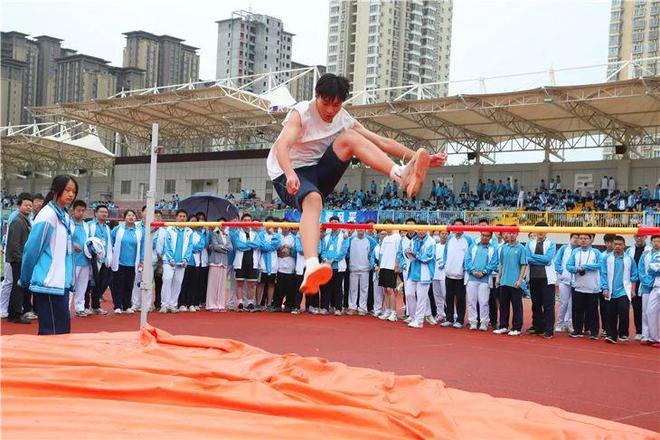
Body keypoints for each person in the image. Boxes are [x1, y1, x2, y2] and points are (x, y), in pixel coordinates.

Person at [267, 73, 446, 296]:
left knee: (350, 138)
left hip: (318, 171)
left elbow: (380, 141)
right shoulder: (301, 112)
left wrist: (424, 159)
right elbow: (282, 147)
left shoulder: (342, 117)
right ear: (316, 96)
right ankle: (311, 266)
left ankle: (400, 173)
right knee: (313, 200)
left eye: (336, 104)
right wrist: (290, 173)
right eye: (326, 103)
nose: (331, 111)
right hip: (287, 173)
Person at [20, 175, 78, 335]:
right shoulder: (47, 215)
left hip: (61, 283)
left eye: (74, 191)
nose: (71, 195)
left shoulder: (64, 215)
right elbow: (31, 250)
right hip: (49, 283)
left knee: (61, 330)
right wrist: (25, 278)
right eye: (67, 190)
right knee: (51, 332)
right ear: (55, 190)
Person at [601, 236, 638, 344]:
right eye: (615, 244)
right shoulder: (606, 258)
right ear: (612, 245)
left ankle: (623, 333)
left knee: (623, 311)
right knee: (610, 314)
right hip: (611, 291)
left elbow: (634, 275)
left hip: (624, 290)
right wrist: (605, 288)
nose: (617, 246)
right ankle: (611, 335)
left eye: (620, 244)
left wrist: (633, 289)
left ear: (624, 245)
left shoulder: (629, 259)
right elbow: (603, 274)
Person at [567, 234, 604, 339]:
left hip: (592, 287)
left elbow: (600, 264)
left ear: (590, 240)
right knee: (577, 309)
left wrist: (585, 267)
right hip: (578, 286)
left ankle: (594, 332)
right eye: (581, 238)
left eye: (585, 239)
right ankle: (577, 330)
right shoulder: (575, 252)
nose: (583, 241)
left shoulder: (596, 252)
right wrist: (577, 269)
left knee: (592, 310)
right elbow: (569, 266)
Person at [525, 222, 557, 339]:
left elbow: (548, 259)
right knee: (536, 304)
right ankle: (538, 327)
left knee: (548, 305)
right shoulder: (530, 243)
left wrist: (534, 258)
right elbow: (527, 258)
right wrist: (541, 260)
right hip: (533, 277)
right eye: (539, 230)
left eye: (543, 230)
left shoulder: (551, 243)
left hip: (547, 278)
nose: (541, 232)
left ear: (547, 231)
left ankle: (549, 330)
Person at [494, 231, 528, 336]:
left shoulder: (521, 248)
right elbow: (501, 264)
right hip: (504, 281)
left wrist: (520, 280)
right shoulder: (504, 248)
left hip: (515, 282)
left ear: (517, 234)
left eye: (513, 233)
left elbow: (523, 265)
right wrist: (498, 278)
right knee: (503, 305)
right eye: (509, 233)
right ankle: (503, 326)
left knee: (517, 306)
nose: (511, 235)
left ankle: (517, 328)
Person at [110, 210, 144, 314]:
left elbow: (143, 247)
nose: (131, 217)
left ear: (136, 218)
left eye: (133, 215)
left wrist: (141, 261)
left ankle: (127, 306)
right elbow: (110, 242)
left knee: (129, 285)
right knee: (118, 284)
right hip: (119, 262)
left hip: (133, 263)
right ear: (124, 217)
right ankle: (117, 306)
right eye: (128, 215)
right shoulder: (118, 229)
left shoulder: (139, 231)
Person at [441, 218, 473, 328]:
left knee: (460, 298)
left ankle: (459, 320)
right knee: (448, 297)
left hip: (461, 274)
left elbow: (470, 256)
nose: (458, 227)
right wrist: (446, 265)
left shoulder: (468, 239)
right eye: (456, 225)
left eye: (460, 225)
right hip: (449, 273)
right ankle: (449, 318)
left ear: (464, 227)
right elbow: (445, 253)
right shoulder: (449, 238)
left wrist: (465, 269)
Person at [6, 193, 33, 324]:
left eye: (30, 205)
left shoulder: (25, 220)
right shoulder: (17, 221)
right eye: (26, 205)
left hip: (21, 258)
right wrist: (20, 259)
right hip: (18, 259)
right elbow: (14, 243)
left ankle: (14, 312)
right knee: (17, 287)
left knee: (19, 287)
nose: (29, 207)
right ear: (19, 206)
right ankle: (15, 314)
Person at [161, 210, 194, 313]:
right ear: (176, 217)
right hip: (169, 261)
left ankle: (173, 304)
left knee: (178, 282)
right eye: (180, 216)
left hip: (181, 262)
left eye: (184, 216)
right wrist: (170, 258)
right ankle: (164, 304)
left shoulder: (189, 231)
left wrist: (185, 259)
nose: (182, 218)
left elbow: (190, 247)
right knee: (167, 280)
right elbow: (167, 245)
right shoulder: (170, 229)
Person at [464, 231, 498, 331]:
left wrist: (483, 272)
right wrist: (473, 271)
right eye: (483, 235)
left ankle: (484, 322)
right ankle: (473, 322)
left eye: (487, 236)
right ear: (480, 235)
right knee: (471, 301)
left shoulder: (492, 249)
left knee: (484, 301)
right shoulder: (473, 246)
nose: (485, 237)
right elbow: (467, 260)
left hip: (485, 279)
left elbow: (493, 263)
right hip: (472, 278)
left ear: (490, 237)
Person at [403, 226, 435, 328]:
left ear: (427, 230)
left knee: (422, 297)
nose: (421, 232)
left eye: (423, 230)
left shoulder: (431, 242)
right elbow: (408, 254)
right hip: (413, 271)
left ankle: (419, 320)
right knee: (409, 294)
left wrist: (415, 254)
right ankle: (413, 317)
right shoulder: (413, 240)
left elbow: (428, 257)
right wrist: (407, 252)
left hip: (425, 272)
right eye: (419, 230)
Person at [229, 213, 261, 312]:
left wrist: (246, 244)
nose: (247, 222)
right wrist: (250, 245)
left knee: (251, 284)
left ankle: (250, 302)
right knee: (240, 283)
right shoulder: (237, 233)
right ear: (242, 222)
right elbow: (238, 246)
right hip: (240, 261)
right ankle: (240, 302)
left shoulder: (255, 234)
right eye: (245, 220)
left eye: (249, 220)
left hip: (252, 261)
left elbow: (257, 244)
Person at [319, 217, 350, 315]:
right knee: (325, 287)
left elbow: (343, 251)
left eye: (335, 222)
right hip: (327, 265)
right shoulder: (326, 236)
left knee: (338, 288)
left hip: (338, 266)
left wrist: (333, 260)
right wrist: (325, 259)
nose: (333, 224)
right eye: (331, 222)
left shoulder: (344, 236)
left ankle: (338, 308)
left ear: (339, 223)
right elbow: (323, 250)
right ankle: (324, 307)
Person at [87, 205, 112, 315]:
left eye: (106, 212)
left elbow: (109, 243)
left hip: (104, 260)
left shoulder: (107, 228)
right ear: (95, 213)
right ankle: (85, 306)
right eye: (101, 212)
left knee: (100, 283)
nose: (104, 214)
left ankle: (96, 306)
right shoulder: (89, 226)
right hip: (92, 259)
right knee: (89, 284)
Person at [626, 233, 651, 340]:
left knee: (649, 309)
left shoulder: (651, 250)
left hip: (648, 283)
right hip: (634, 282)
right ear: (634, 237)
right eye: (637, 236)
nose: (639, 238)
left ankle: (650, 331)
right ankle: (639, 331)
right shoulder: (629, 251)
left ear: (646, 237)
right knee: (636, 308)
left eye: (642, 236)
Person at [70, 200, 91, 317]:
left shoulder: (86, 225)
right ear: (73, 211)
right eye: (79, 210)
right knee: (70, 285)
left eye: (83, 211)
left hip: (85, 260)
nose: (81, 213)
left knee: (82, 286)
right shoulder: (68, 223)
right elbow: (64, 239)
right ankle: (66, 308)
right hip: (73, 260)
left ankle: (80, 307)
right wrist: (72, 245)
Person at [637, 235, 660, 347]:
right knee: (646, 311)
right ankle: (646, 335)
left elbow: (654, 270)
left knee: (656, 312)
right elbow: (641, 268)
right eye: (654, 241)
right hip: (646, 285)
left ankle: (655, 336)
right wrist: (645, 281)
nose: (656, 243)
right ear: (651, 242)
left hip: (656, 284)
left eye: (658, 241)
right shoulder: (645, 253)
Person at [206, 220, 233, 312]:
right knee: (213, 284)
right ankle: (211, 305)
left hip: (224, 262)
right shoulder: (214, 233)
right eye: (221, 224)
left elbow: (231, 248)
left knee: (222, 285)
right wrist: (224, 247)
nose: (223, 226)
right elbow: (215, 246)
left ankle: (220, 304)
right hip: (215, 261)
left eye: (224, 224)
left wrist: (221, 247)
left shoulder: (227, 235)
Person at [554, 233, 579, 333]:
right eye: (574, 238)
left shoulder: (579, 250)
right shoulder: (564, 248)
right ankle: (559, 323)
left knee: (572, 304)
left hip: (576, 281)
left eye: (578, 238)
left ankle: (569, 323)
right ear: (570, 238)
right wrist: (562, 272)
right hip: (564, 280)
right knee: (563, 302)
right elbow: (557, 262)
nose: (576, 240)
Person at [377, 220, 401, 322]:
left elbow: (398, 252)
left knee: (390, 290)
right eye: (386, 226)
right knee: (385, 290)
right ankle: (387, 310)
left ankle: (394, 312)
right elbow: (381, 254)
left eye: (389, 226)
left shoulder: (397, 237)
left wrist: (397, 264)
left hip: (392, 267)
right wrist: (379, 266)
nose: (388, 228)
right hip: (384, 266)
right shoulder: (385, 238)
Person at [257, 218, 281, 310]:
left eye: (272, 224)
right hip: (262, 263)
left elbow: (276, 245)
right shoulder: (261, 234)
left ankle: (269, 304)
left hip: (273, 263)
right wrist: (270, 246)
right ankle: (258, 303)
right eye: (268, 224)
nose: (270, 226)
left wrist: (272, 235)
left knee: (271, 284)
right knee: (261, 283)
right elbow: (262, 246)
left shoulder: (277, 235)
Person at [347, 229, 372, 315]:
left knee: (364, 289)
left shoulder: (369, 240)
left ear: (365, 230)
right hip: (353, 268)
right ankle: (352, 307)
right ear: (357, 230)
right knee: (353, 289)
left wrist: (370, 262)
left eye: (362, 229)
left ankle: (362, 308)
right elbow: (346, 250)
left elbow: (372, 251)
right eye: (359, 229)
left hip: (365, 268)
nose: (360, 231)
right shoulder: (351, 239)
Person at [271, 225, 296, 312]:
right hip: (279, 265)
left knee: (290, 287)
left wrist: (290, 250)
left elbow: (296, 251)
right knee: (279, 287)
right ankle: (277, 304)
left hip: (290, 265)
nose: (285, 228)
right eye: (284, 226)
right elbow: (273, 247)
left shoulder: (294, 237)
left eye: (287, 227)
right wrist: (279, 250)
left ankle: (288, 305)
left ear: (289, 228)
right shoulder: (277, 236)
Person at [431, 231, 448, 324]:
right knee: (437, 295)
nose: (444, 235)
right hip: (435, 273)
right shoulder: (435, 246)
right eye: (442, 233)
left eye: (446, 234)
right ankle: (440, 313)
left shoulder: (449, 246)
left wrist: (444, 263)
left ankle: (451, 314)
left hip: (445, 274)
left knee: (446, 295)